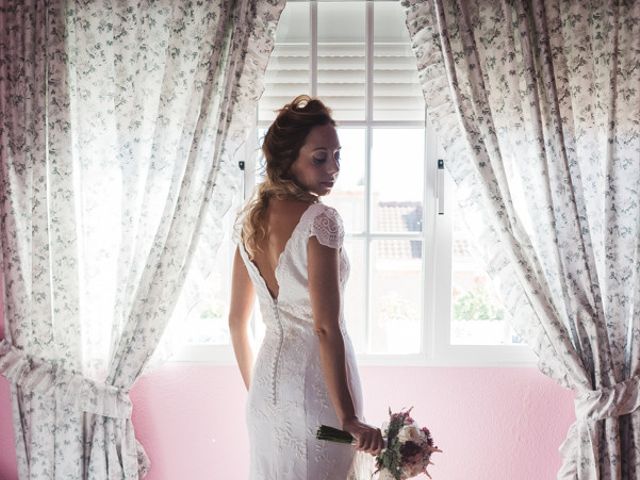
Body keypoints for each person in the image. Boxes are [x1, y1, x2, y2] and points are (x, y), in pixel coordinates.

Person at [229, 95, 384, 479]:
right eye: (320, 157)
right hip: (320, 392)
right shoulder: (321, 220)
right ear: (288, 160)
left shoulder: (249, 222)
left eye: (337, 156)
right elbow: (324, 327)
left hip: (264, 394)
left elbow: (236, 323)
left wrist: (262, 392)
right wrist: (348, 417)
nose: (333, 168)